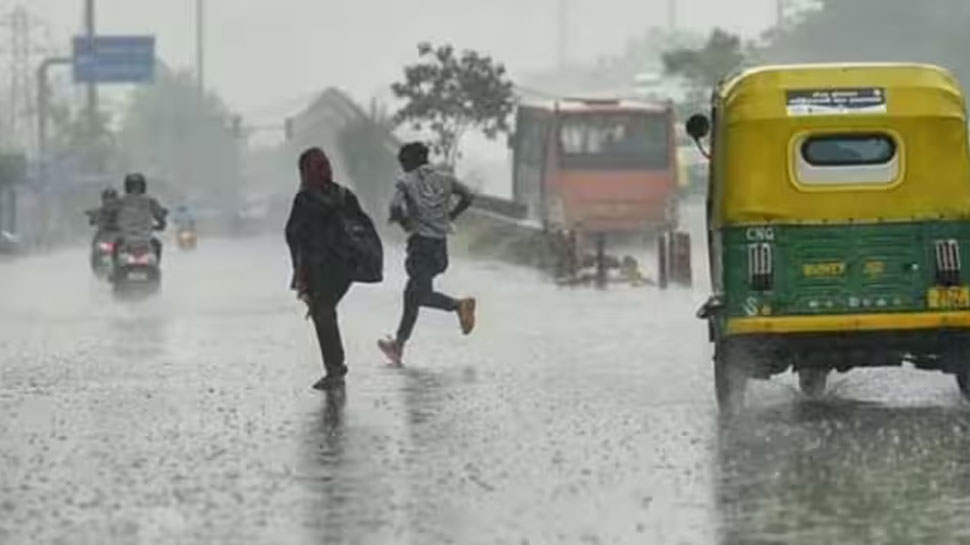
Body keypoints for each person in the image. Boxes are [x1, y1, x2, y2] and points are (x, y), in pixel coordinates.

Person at [378, 142, 477, 366]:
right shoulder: (445, 178)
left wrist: (405, 223)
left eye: (403, 163)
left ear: (410, 161)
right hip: (440, 247)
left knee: (418, 295)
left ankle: (459, 305)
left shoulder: (406, 180)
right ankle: (398, 346)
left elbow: (395, 206)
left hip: (420, 246)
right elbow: (469, 196)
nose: (402, 167)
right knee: (412, 294)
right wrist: (450, 216)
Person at [286, 147, 369, 391]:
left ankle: (335, 369)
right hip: (344, 266)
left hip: (320, 266)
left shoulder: (305, 199)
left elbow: (294, 235)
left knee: (322, 312)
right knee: (325, 311)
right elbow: (362, 227)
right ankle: (335, 368)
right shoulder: (344, 195)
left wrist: (298, 268)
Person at [113, 173, 168, 261]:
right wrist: (161, 223)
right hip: (139, 237)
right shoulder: (149, 200)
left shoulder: (121, 201)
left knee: (116, 245)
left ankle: (115, 266)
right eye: (133, 185)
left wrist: (161, 222)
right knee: (157, 244)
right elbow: (160, 216)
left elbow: (159, 215)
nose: (136, 188)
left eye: (137, 185)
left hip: (138, 236)